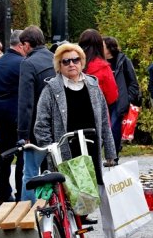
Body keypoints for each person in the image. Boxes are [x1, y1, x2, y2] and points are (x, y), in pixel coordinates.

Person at [35, 43, 116, 223]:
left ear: (82, 62)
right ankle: (71, 220)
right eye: (66, 61)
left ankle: (81, 217)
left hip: (90, 146)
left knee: (89, 188)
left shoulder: (93, 85)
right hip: (65, 148)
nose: (72, 64)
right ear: (59, 65)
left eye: (76, 60)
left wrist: (110, 152)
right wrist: (51, 148)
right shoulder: (51, 89)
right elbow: (41, 124)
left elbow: (104, 120)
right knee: (69, 189)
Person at [17, 25, 55, 201]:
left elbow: (26, 102)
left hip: (37, 128)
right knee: (54, 171)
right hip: (57, 126)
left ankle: (28, 214)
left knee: (30, 173)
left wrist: (23, 133)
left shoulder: (28, 63)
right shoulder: (55, 59)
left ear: (26, 44)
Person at [0, 30, 24, 204]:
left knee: (5, 153)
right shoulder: (21, 63)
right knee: (21, 154)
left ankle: (3, 192)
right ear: (21, 45)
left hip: (0, 113)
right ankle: (21, 193)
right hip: (16, 115)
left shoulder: (0, 61)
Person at [103, 36, 140, 156]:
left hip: (118, 101)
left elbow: (133, 82)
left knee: (113, 127)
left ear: (109, 48)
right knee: (104, 129)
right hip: (104, 100)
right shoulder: (100, 62)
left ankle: (113, 156)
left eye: (102, 46)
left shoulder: (123, 61)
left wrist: (127, 98)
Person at [78, 29, 118, 109]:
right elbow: (112, 97)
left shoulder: (71, 64)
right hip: (98, 113)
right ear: (100, 45)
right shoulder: (103, 67)